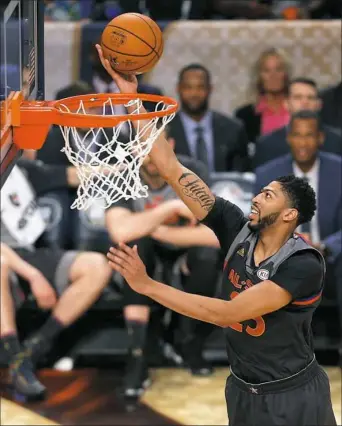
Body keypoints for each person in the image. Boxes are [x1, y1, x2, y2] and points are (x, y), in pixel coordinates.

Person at [95, 44, 336, 426]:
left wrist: (147, 285)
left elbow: (226, 312)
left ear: (290, 214)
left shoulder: (303, 264)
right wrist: (130, 97)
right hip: (241, 388)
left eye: (267, 195)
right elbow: (171, 168)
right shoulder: (235, 227)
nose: (256, 197)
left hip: (292, 394)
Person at [105, 125, 220, 398]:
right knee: (132, 247)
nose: (149, 153)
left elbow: (217, 234)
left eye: (155, 145)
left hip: (182, 252)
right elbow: (119, 232)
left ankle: (188, 341)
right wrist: (169, 209)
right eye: (142, 147)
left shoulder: (191, 172)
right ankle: (137, 355)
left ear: (171, 143)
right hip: (144, 253)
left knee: (207, 255)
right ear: (133, 150)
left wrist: (151, 226)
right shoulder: (122, 175)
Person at [0, 155, 113, 399]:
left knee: (97, 265)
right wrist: (33, 276)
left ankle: (32, 351)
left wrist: (129, 165)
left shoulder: (18, 169)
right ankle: (12, 354)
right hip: (4, 259)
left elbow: (75, 174)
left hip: (27, 253)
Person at [255, 110, 342, 330]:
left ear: (320, 138)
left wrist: (323, 246)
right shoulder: (268, 175)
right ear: (288, 137)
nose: (303, 142)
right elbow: (261, 224)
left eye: (309, 135)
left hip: (330, 259)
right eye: (297, 135)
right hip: (283, 258)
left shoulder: (338, 170)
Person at [169, 63, 250, 172]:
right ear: (178, 89)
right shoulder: (165, 130)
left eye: (200, 87)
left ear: (210, 89)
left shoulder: (233, 129)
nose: (194, 93)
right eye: (188, 87)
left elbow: (241, 176)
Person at [253, 77, 341, 168]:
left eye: (310, 98)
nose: (304, 102)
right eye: (298, 97)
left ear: (319, 105)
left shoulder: (337, 141)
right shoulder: (267, 144)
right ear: (286, 103)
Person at [235, 47, 291, 144]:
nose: (273, 75)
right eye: (266, 70)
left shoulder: (298, 110)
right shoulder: (245, 116)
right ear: (259, 77)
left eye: (278, 69)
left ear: (286, 74)